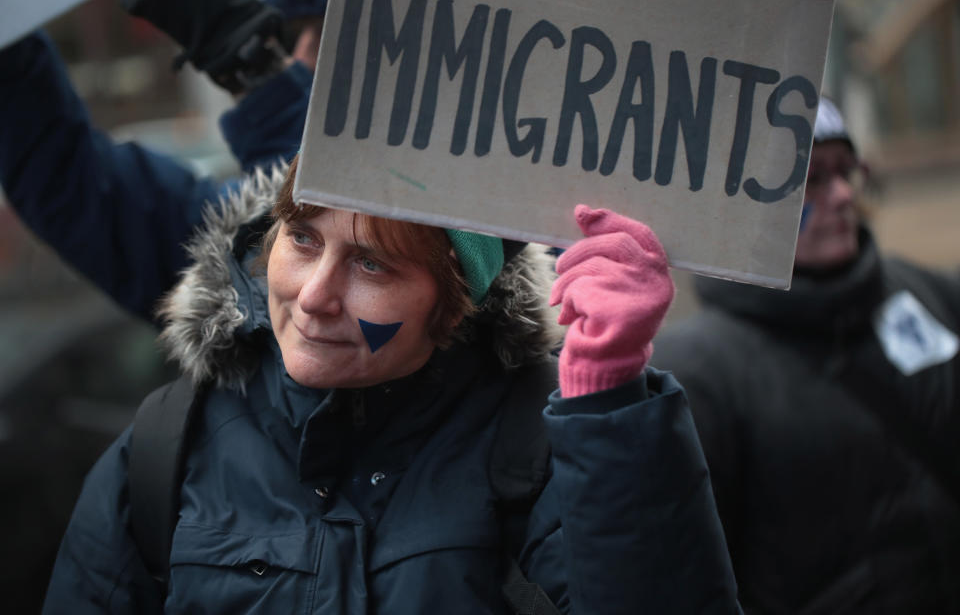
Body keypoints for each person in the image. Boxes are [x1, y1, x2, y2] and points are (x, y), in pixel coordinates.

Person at [41, 155, 740, 613]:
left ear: (454, 304)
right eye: (304, 238)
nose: (314, 296)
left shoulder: (541, 448)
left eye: (373, 265)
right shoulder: (167, 448)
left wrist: (611, 402)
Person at [651, 97, 960, 613]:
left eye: (845, 172)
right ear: (746, 203)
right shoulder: (697, 374)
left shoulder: (929, 295)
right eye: (812, 180)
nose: (841, 195)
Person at [0, 0, 328, 321]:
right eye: (287, 39)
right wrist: (10, 37)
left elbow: (345, 228)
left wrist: (263, 81)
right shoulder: (225, 249)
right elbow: (65, 177)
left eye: (334, 44)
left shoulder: (377, 283)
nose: (300, 59)